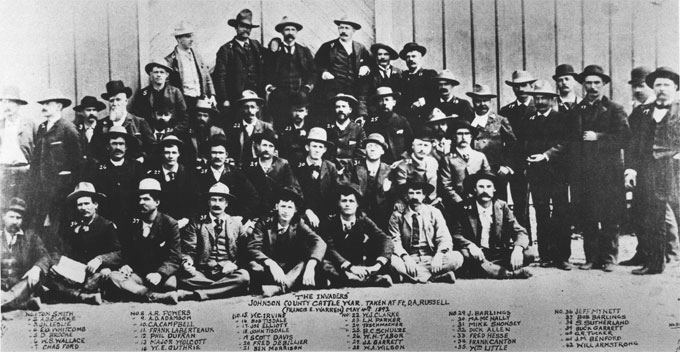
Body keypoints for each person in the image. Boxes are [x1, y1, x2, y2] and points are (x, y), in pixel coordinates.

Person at [569, 65, 630, 272]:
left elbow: (624, 138)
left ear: (603, 84)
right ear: (583, 85)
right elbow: (572, 140)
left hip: (609, 173)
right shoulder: (578, 109)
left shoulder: (615, 109)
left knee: (610, 217)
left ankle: (609, 258)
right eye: (588, 82)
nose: (592, 87)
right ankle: (591, 257)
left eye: (597, 82)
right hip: (585, 173)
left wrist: (598, 137)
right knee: (589, 216)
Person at [625, 67, 680, 274]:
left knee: (659, 214)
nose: (662, 89)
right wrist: (630, 169)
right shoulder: (642, 112)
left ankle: (657, 264)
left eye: (667, 85)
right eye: (658, 85)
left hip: (672, 170)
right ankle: (646, 256)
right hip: (645, 169)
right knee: (641, 212)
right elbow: (632, 144)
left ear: (675, 88)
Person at [523, 80, 571, 270]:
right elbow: (525, 144)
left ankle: (562, 257)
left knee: (561, 213)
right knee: (541, 214)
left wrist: (545, 155)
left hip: (558, 174)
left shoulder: (562, 119)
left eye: (544, 97)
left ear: (552, 100)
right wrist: (528, 160)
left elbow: (566, 143)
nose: (540, 101)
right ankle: (545, 255)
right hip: (537, 175)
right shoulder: (529, 120)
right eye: (537, 97)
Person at [45, 183, 121, 305]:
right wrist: (56, 265)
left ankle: (71, 294)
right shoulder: (72, 226)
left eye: (87, 204)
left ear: (95, 205)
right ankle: (83, 296)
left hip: (97, 271)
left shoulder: (106, 225)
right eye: (80, 204)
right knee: (49, 275)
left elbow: (119, 253)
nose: (83, 207)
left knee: (102, 278)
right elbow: (62, 250)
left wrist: (101, 259)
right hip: (77, 271)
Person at [108, 178, 181, 304]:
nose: (141, 202)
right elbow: (124, 251)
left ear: (157, 202)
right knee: (114, 277)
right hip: (138, 274)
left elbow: (174, 257)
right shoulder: (131, 222)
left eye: (146, 199)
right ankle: (155, 296)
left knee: (171, 283)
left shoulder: (169, 223)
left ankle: (138, 293)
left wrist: (160, 274)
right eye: (140, 199)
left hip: (161, 275)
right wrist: (124, 265)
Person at [453, 171, 534, 279]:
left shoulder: (502, 206)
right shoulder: (464, 207)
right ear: (474, 189)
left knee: (529, 253)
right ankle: (508, 274)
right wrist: (470, 245)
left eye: (489, 187)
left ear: (494, 189)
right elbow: (456, 234)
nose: (485, 190)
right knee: (465, 255)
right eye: (481, 187)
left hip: (497, 253)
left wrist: (518, 249)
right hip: (475, 253)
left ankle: (485, 269)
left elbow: (520, 231)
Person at [247, 187, 327, 297]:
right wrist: (271, 263)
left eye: (290, 207)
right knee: (254, 266)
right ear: (276, 207)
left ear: (295, 210)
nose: (286, 211)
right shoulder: (264, 222)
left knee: (303, 263)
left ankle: (280, 288)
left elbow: (319, 242)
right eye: (283, 206)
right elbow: (254, 247)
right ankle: (285, 284)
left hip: (290, 268)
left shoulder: (298, 222)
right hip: (269, 267)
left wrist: (311, 265)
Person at [178, 183, 250, 300]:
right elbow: (188, 250)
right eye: (213, 200)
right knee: (184, 277)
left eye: (221, 200)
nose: (217, 204)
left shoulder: (236, 224)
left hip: (228, 272)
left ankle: (193, 294)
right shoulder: (196, 222)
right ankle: (225, 290)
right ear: (208, 202)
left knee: (244, 277)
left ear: (226, 203)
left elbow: (245, 252)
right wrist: (187, 263)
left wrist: (235, 265)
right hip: (202, 272)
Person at [31, 89, 82, 251]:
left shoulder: (68, 129)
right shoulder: (42, 128)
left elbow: (78, 163)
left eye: (48, 104)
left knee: (60, 230)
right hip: (42, 190)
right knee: (42, 229)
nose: (44, 107)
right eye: (43, 104)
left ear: (59, 106)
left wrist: (69, 188)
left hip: (61, 192)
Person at [388, 181, 466, 283]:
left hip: (431, 258)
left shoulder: (434, 212)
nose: (415, 197)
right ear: (406, 195)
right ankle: (433, 278)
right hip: (409, 258)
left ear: (424, 195)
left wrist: (438, 256)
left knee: (457, 257)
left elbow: (444, 238)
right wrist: (406, 258)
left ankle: (411, 277)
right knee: (391, 260)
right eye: (411, 193)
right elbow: (395, 240)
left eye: (418, 193)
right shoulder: (397, 215)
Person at [321, 184, 393, 287]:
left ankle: (354, 279)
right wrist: (350, 268)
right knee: (325, 265)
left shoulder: (363, 220)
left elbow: (385, 239)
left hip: (359, 262)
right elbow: (331, 249)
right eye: (344, 201)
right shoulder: (330, 222)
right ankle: (369, 280)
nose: (347, 204)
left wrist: (377, 266)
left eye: (351, 201)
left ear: (357, 204)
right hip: (339, 263)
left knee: (383, 250)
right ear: (338, 203)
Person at [499, 70, 538, 237]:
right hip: (513, 164)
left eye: (524, 85)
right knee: (518, 203)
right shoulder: (506, 111)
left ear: (530, 86)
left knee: (537, 204)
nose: (521, 89)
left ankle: (534, 241)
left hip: (535, 162)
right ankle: (521, 239)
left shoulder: (538, 108)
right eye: (517, 86)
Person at [84, 126, 143, 227]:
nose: (118, 148)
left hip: (131, 221)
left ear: (126, 147)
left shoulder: (136, 167)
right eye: (114, 144)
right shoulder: (97, 168)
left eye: (121, 144)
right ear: (107, 146)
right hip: (105, 221)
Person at [314, 16, 371, 119]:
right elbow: (316, 64)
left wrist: (366, 67)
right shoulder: (328, 47)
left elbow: (370, 63)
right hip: (332, 89)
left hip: (353, 89)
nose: (343, 31)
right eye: (341, 28)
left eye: (347, 28)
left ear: (353, 31)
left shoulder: (360, 48)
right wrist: (324, 72)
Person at [466, 84, 516, 201]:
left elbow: (512, 146)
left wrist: (507, 166)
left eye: (486, 101)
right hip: (472, 170)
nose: (483, 104)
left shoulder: (500, 121)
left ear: (491, 102)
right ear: (473, 102)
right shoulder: (467, 120)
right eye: (478, 101)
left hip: (495, 172)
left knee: (497, 205)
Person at [265, 16, 317, 129]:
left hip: (300, 96)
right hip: (280, 97)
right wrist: (270, 87)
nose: (290, 33)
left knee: (300, 127)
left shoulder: (304, 51)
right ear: (282, 32)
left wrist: (307, 87)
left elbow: (313, 72)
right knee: (280, 126)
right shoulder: (273, 52)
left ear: (297, 32)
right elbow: (265, 71)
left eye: (293, 30)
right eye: (287, 29)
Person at [195, 135, 260, 223]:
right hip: (206, 221)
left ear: (226, 155)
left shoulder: (235, 173)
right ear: (209, 155)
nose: (217, 156)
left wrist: (242, 216)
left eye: (221, 153)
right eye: (214, 153)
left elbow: (253, 196)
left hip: (231, 220)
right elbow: (195, 199)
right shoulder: (200, 174)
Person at [1, 198, 49, 311]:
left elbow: (45, 256)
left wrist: (37, 268)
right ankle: (24, 303)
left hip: (22, 285)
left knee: (29, 281)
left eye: (18, 218)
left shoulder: (31, 237)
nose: (15, 221)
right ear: (3, 217)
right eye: (11, 217)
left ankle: (7, 301)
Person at [214, 9, 264, 114]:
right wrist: (224, 99)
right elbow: (220, 77)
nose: (246, 30)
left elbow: (268, 62)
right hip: (236, 98)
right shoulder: (226, 49)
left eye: (248, 27)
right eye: (242, 26)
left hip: (256, 96)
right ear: (236, 28)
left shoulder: (256, 45)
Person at [92, 80, 154, 162]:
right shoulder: (102, 124)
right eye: (111, 100)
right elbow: (93, 151)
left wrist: (143, 158)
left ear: (126, 101)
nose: (114, 103)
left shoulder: (139, 122)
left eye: (118, 100)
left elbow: (153, 149)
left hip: (134, 170)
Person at [144, 135, 197, 229]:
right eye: (167, 152)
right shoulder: (153, 175)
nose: (170, 156)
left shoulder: (189, 174)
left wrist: (185, 219)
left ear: (179, 153)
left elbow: (194, 200)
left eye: (174, 152)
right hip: (159, 224)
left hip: (184, 223)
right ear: (162, 154)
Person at [243, 130, 299, 216]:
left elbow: (290, 187)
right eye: (264, 145)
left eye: (270, 146)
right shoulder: (249, 165)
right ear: (258, 146)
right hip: (255, 211)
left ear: (274, 149)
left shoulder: (283, 164)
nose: (267, 149)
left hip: (277, 211)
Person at [293, 127, 340, 228]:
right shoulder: (296, 167)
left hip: (326, 217)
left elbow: (335, 192)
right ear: (307, 147)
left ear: (324, 150)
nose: (317, 150)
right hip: (302, 215)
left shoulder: (330, 167)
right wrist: (306, 211)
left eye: (320, 147)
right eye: (314, 146)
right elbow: (294, 193)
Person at [164, 21, 215, 111]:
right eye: (188, 36)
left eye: (192, 35)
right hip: (183, 101)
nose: (192, 39)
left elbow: (207, 78)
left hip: (201, 99)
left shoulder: (198, 56)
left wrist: (212, 96)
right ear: (178, 39)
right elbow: (167, 85)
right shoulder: (170, 60)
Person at [439, 119, 490, 207]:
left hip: (478, 200)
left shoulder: (480, 156)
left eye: (466, 134)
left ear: (471, 137)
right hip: (456, 202)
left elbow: (488, 178)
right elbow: (446, 184)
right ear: (454, 136)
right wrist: (459, 201)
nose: (463, 137)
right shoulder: (447, 158)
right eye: (460, 134)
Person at [129, 59, 188, 134]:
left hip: (171, 132)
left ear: (167, 75)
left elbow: (184, 116)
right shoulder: (143, 93)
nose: (159, 75)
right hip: (149, 133)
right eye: (156, 72)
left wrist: (174, 131)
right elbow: (136, 116)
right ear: (151, 74)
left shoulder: (175, 92)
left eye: (162, 72)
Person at [348, 133, 393, 229]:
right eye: (369, 146)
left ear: (382, 151)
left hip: (381, 217)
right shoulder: (354, 167)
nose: (372, 149)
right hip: (358, 214)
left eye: (376, 146)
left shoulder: (389, 170)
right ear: (365, 150)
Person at [0, 86, 35, 206]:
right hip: (4, 171)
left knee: (23, 205)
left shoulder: (29, 124)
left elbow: (38, 147)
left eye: (11, 102)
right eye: (4, 102)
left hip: (24, 171)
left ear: (18, 105)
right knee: (4, 206)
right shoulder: (0, 125)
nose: (7, 106)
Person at [224, 90, 275, 166]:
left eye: (252, 107)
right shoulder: (234, 128)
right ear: (241, 109)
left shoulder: (266, 127)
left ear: (257, 109)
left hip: (259, 168)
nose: (250, 111)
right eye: (246, 107)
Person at [364, 86, 413, 164]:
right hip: (378, 163)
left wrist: (402, 159)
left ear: (394, 102)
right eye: (381, 100)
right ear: (376, 104)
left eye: (387, 99)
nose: (384, 103)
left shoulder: (402, 121)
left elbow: (410, 144)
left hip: (399, 163)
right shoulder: (371, 122)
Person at [395, 42, 437, 132]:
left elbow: (436, 96)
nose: (410, 59)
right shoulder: (402, 77)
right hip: (406, 121)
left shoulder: (429, 75)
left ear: (420, 58)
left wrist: (421, 101)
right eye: (408, 57)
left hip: (424, 120)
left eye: (414, 56)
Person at [324, 93, 366, 169]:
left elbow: (361, 155)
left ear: (350, 110)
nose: (340, 110)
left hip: (350, 170)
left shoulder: (358, 130)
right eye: (338, 107)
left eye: (344, 106)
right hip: (330, 169)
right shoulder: (328, 129)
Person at [185, 98, 226, 167]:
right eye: (199, 115)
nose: (202, 118)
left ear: (210, 118)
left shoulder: (218, 132)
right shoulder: (188, 133)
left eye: (205, 116)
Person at [278, 92, 315, 165]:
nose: (298, 114)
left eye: (301, 111)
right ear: (290, 111)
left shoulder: (311, 129)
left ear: (306, 112)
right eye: (295, 110)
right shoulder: (283, 130)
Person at [73, 96, 106, 162]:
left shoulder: (103, 128)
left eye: (94, 110)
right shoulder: (76, 129)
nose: (92, 113)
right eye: (88, 110)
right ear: (82, 112)